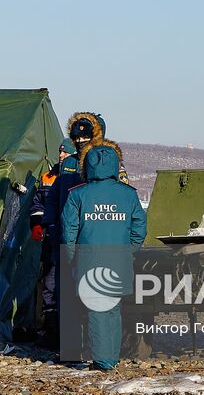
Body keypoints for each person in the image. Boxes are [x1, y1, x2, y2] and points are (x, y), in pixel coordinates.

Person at [61, 142, 147, 370]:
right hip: (119, 259)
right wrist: (130, 250)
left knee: (97, 310)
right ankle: (110, 357)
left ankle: (103, 361)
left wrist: (72, 258)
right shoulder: (128, 195)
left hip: (89, 260)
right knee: (113, 310)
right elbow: (139, 227)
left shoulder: (78, 195)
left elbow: (68, 231)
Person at [30, 139, 78, 348]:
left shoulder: (82, 175)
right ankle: (51, 331)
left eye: (65, 153)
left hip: (74, 241)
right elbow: (38, 203)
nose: (61, 156)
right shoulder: (48, 177)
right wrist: (37, 224)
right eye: (60, 152)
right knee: (50, 284)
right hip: (52, 238)